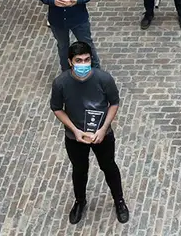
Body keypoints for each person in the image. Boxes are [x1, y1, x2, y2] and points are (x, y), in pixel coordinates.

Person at [49, 41, 129, 225]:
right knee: (79, 170)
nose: (83, 64)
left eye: (86, 60)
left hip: (102, 135)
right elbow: (56, 108)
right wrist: (75, 130)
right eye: (78, 60)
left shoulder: (104, 79)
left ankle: (119, 201)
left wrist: (103, 129)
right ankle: (80, 201)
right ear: (70, 62)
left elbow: (114, 103)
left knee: (109, 167)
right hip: (74, 137)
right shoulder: (61, 83)